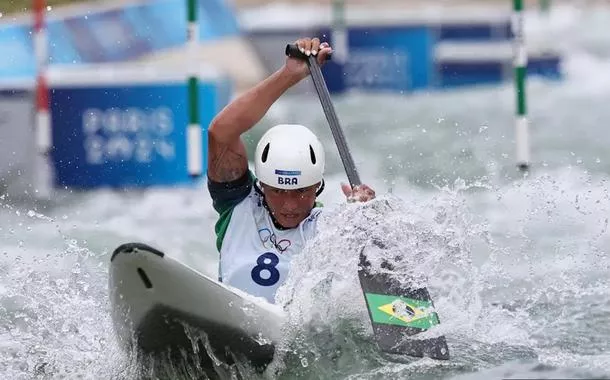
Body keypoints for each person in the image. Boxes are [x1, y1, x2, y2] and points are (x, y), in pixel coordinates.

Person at [207, 37, 376, 303]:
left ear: (317, 186)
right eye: (277, 191)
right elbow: (221, 132)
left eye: (301, 192)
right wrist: (289, 75)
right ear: (261, 186)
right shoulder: (237, 205)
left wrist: (366, 219)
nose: (289, 205)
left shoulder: (329, 229)